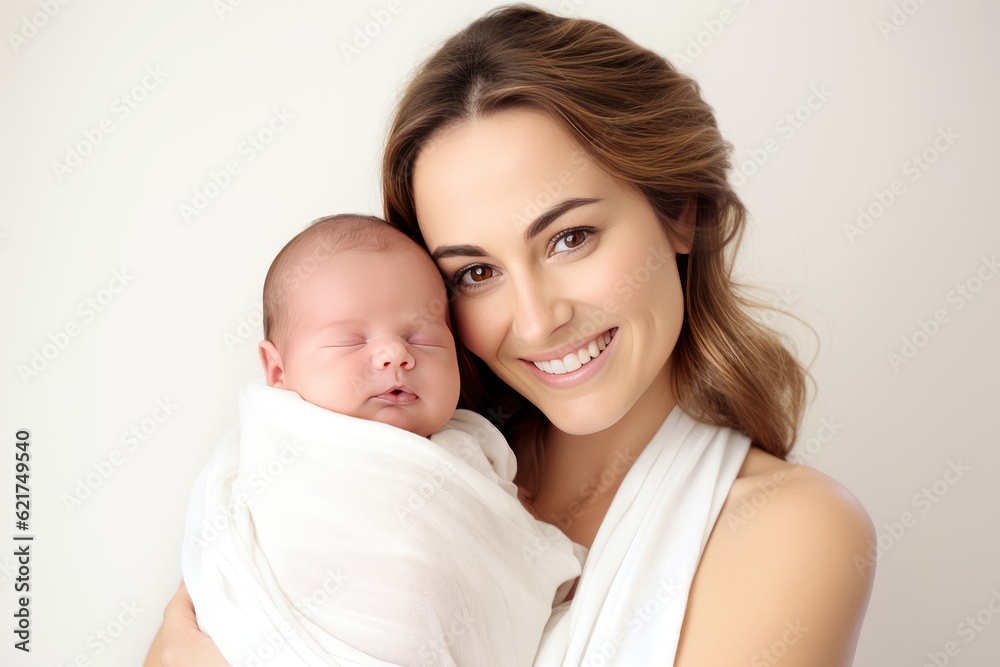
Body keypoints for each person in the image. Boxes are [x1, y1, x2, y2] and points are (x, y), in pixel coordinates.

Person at [146, 5, 876, 666]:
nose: (534, 320)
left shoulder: (794, 531)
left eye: (570, 238)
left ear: (677, 209)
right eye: (474, 273)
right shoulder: (361, 471)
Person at [178, 213, 584, 667]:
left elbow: (498, 554)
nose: (396, 354)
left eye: (423, 338)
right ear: (277, 370)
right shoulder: (276, 458)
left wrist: (506, 521)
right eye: (352, 342)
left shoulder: (471, 447)